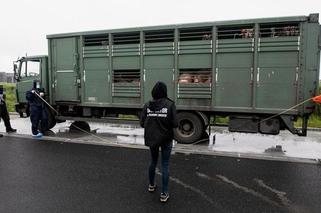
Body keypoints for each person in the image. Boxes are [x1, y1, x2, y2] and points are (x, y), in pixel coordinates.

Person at [140, 81, 178, 203]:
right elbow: (175, 124)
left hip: (152, 139)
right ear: (165, 92)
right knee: (165, 164)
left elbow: (142, 123)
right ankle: (164, 193)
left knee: (153, 161)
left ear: (154, 92)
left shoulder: (147, 105)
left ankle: (151, 185)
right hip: (166, 139)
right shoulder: (170, 105)